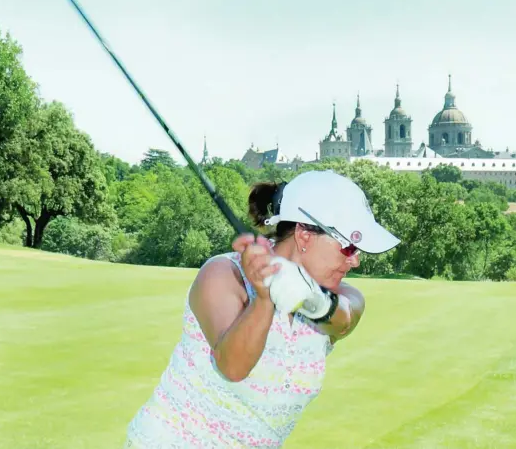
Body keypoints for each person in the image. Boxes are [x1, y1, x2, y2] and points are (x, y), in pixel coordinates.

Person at [124, 169, 400, 448]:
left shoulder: (342, 295)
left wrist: (307, 295)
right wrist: (265, 298)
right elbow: (232, 366)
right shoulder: (223, 274)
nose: (355, 262)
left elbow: (345, 319)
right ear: (304, 236)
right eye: (350, 247)